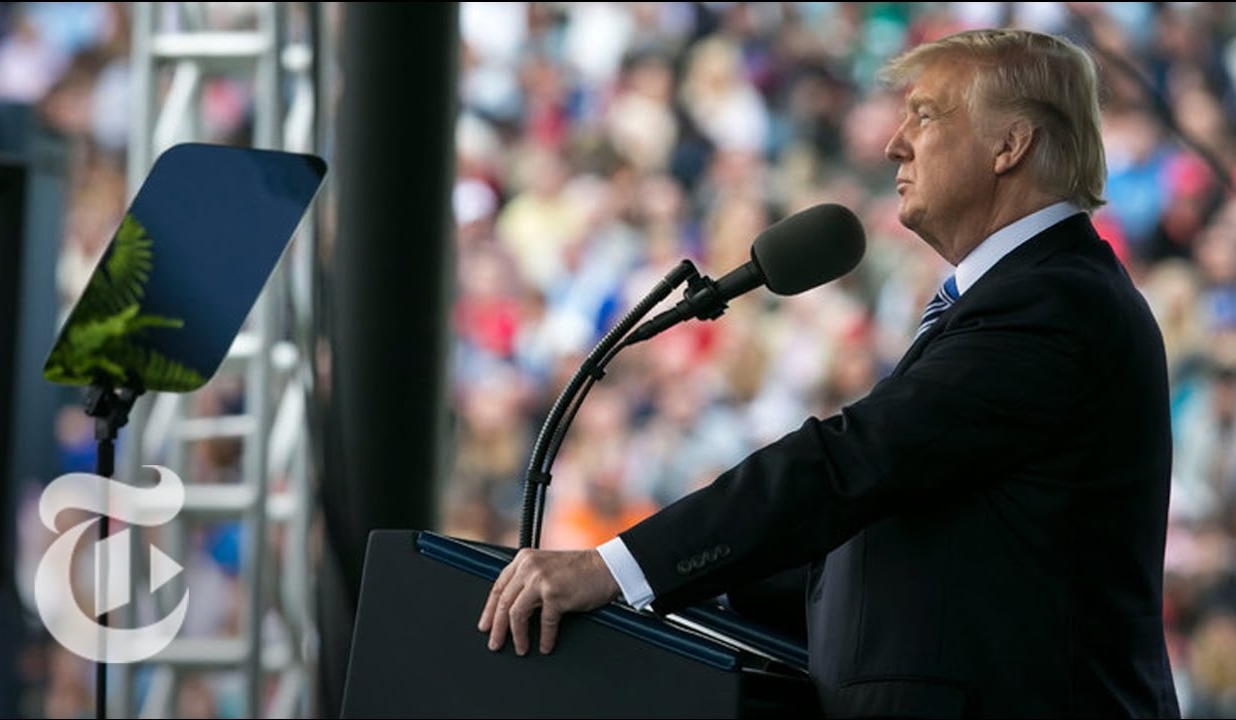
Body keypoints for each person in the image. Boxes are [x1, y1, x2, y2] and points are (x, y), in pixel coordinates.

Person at [478, 28, 1181, 718]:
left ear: (1011, 145)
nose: (893, 141)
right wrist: (702, 591)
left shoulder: (1055, 302)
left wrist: (615, 569)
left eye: (926, 114)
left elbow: (851, 461)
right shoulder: (1031, 295)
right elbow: (894, 544)